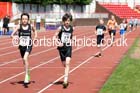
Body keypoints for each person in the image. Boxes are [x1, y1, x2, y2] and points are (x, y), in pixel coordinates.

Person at [11, 13, 37, 85]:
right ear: (21, 20)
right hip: (21, 46)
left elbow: (35, 31)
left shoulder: (30, 26)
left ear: (28, 20)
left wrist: (35, 38)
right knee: (24, 61)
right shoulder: (19, 27)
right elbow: (12, 35)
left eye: (26, 19)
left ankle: (26, 76)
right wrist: (15, 38)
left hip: (29, 45)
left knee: (25, 58)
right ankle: (28, 71)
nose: (24, 20)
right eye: (23, 19)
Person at [53, 13, 74, 88]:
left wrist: (73, 40)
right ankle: (66, 74)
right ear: (63, 21)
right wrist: (58, 43)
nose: (67, 22)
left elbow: (71, 36)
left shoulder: (71, 28)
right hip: (61, 48)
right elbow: (54, 37)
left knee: (68, 63)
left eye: (68, 20)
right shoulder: (60, 28)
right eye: (66, 20)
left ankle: (65, 80)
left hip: (68, 47)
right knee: (64, 64)